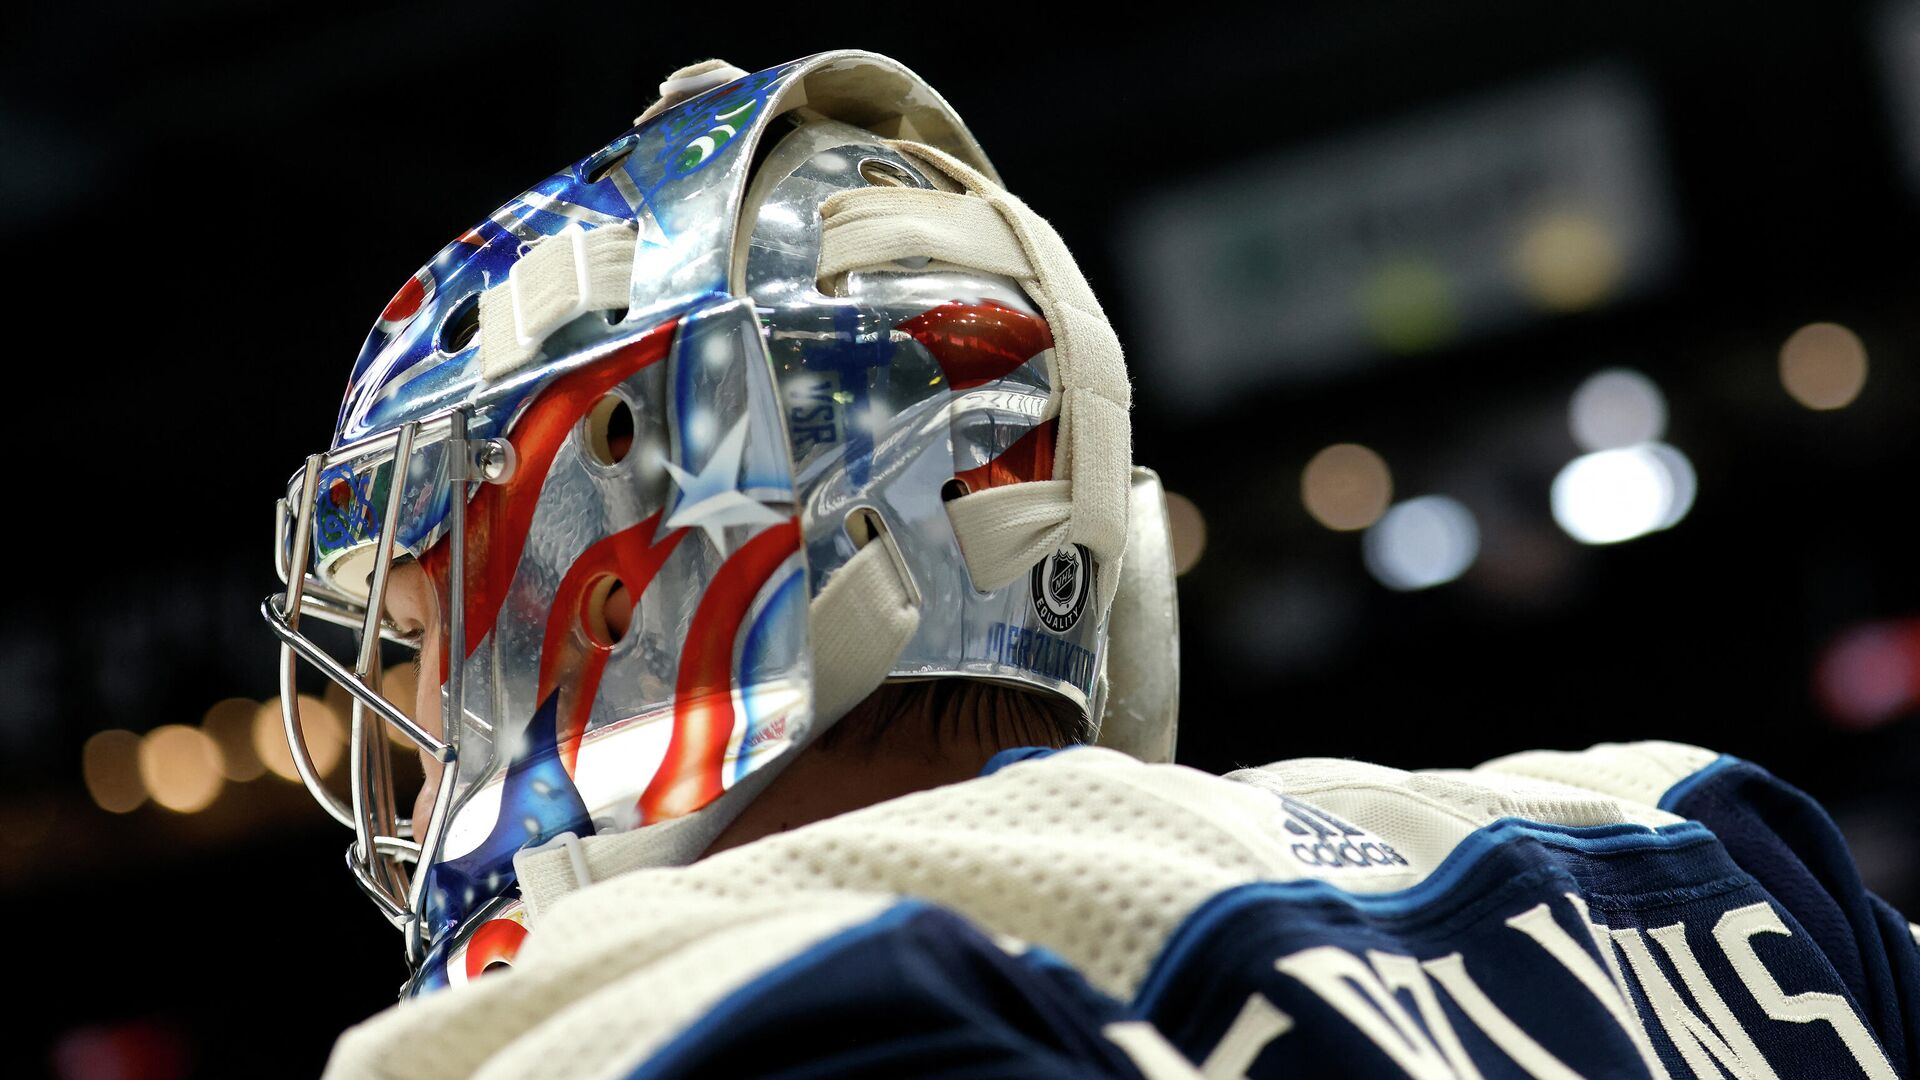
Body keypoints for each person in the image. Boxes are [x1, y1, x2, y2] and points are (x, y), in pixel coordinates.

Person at [266, 51, 1920, 1078]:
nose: (398, 741)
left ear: (632, 597)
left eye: (409, 646)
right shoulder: (1690, 847)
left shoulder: (638, 1024)